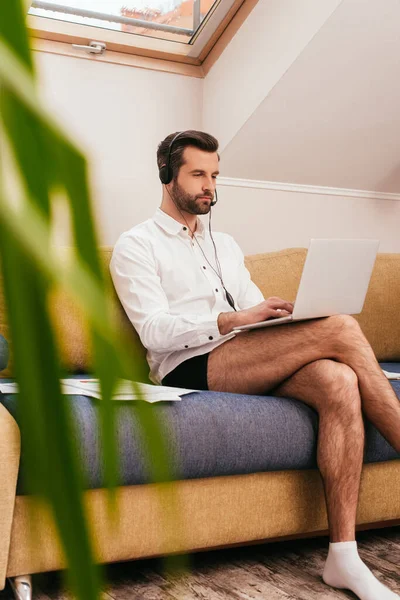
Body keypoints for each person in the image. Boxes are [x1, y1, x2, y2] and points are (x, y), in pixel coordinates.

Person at [110, 130, 400, 600]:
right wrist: (230, 319)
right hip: (188, 365)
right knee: (342, 328)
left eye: (215, 175)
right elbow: (155, 330)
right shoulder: (137, 245)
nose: (210, 186)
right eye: (198, 174)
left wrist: (272, 314)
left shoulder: (224, 243)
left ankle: (344, 557)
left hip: (243, 354)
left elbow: (248, 308)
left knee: (339, 379)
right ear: (167, 176)